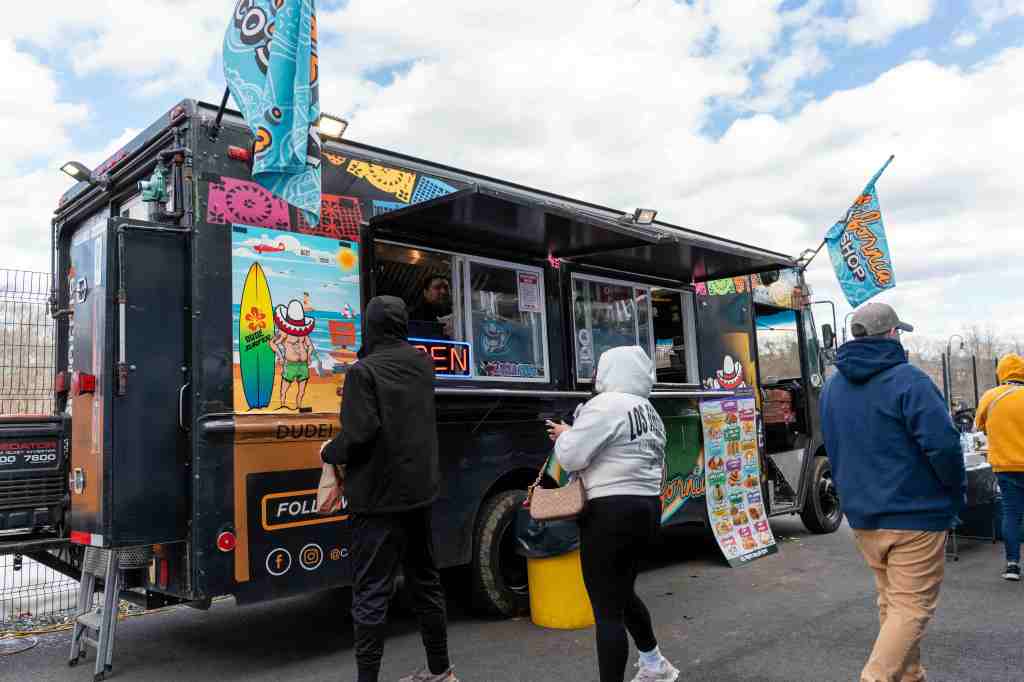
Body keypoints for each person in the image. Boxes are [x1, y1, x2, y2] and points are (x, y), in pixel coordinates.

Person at [820, 302, 966, 682]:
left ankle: (910, 675)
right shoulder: (909, 381)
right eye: (898, 331)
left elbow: (834, 446)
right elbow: (944, 447)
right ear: (891, 334)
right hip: (915, 514)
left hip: (864, 516)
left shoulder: (832, 387)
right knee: (910, 608)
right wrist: (955, 493)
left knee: (893, 604)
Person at [321, 296, 457, 682]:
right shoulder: (423, 365)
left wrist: (329, 452)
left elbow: (359, 433)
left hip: (377, 501)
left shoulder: (363, 373)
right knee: (426, 583)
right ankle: (441, 671)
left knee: (371, 593)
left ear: (370, 326)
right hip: (418, 495)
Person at [547, 346, 680, 682]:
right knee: (622, 592)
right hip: (647, 509)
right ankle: (654, 664)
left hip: (609, 512)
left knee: (607, 611)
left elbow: (572, 457)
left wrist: (565, 435)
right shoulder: (650, 412)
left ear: (610, 370)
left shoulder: (605, 404)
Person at [975, 353, 1024, 581]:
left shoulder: (991, 396)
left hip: (1005, 465)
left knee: (1011, 514)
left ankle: (1012, 565)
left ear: (1001, 373)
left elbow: (979, 426)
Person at [408, 274, 453, 339]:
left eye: (446, 287)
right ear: (425, 292)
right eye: (437, 287)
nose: (443, 292)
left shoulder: (458, 314)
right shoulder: (414, 316)